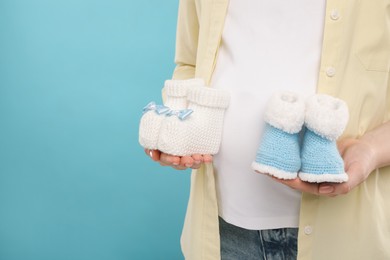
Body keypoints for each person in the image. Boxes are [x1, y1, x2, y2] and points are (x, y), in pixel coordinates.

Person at [144, 0, 390, 259]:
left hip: (345, 233)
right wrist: (179, 127)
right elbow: (190, 63)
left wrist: (371, 149)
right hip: (223, 233)